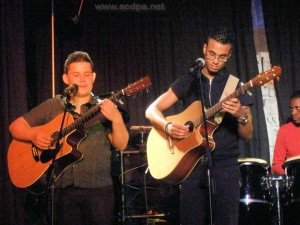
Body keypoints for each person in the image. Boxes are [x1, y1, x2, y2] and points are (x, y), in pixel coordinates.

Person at [145, 27, 253, 225]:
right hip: (191, 167)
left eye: (222, 56)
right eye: (211, 54)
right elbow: (152, 110)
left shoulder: (235, 86)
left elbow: (247, 134)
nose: (215, 60)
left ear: (229, 56)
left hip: (225, 167)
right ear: (204, 49)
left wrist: (240, 115)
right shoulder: (189, 80)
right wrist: (168, 127)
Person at [9, 51, 129, 225]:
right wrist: (33, 135)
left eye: (87, 75)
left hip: (98, 192)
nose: (82, 80)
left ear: (93, 77)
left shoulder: (104, 108)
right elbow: (15, 127)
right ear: (65, 79)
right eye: (76, 75)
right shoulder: (54, 105)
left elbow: (121, 143)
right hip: (61, 192)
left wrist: (116, 118)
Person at [272, 90, 300, 175]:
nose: (293, 113)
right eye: (291, 109)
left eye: (297, 108)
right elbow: (276, 164)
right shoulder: (284, 131)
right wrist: (291, 175)